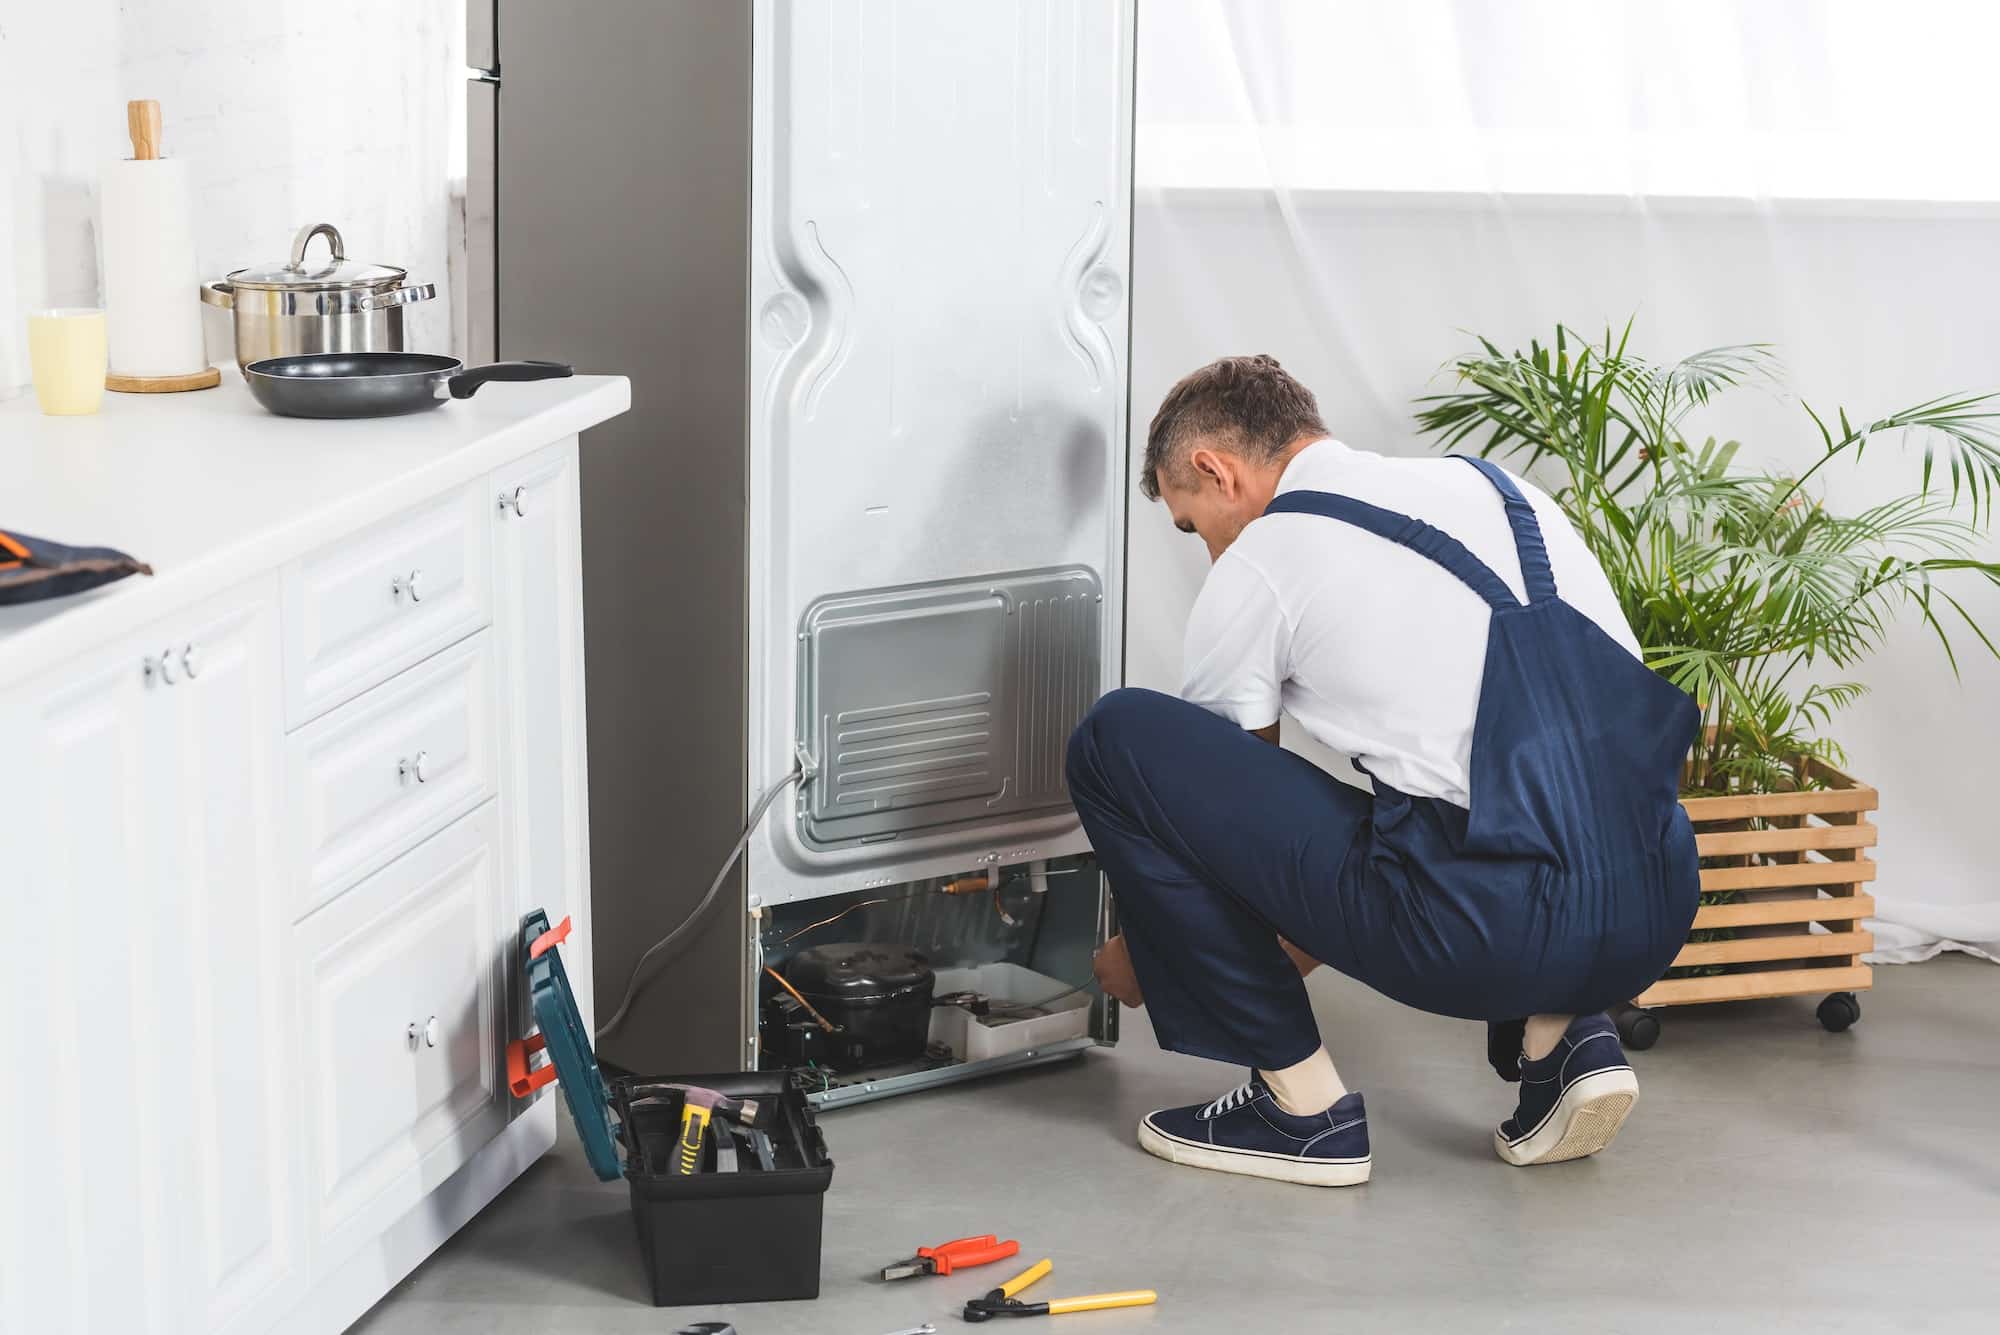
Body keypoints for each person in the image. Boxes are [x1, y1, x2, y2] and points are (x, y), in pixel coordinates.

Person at [1066, 354, 1700, 1185]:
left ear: (1214, 471)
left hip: (1487, 933)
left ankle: (1299, 1109)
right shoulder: (1498, 489)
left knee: (1116, 738)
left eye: (1192, 525)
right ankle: (1564, 1042)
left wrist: (1148, 958)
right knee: (1502, 792)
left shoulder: (1263, 557)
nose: (1208, 550)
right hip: (1659, 897)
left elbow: (1233, 862)